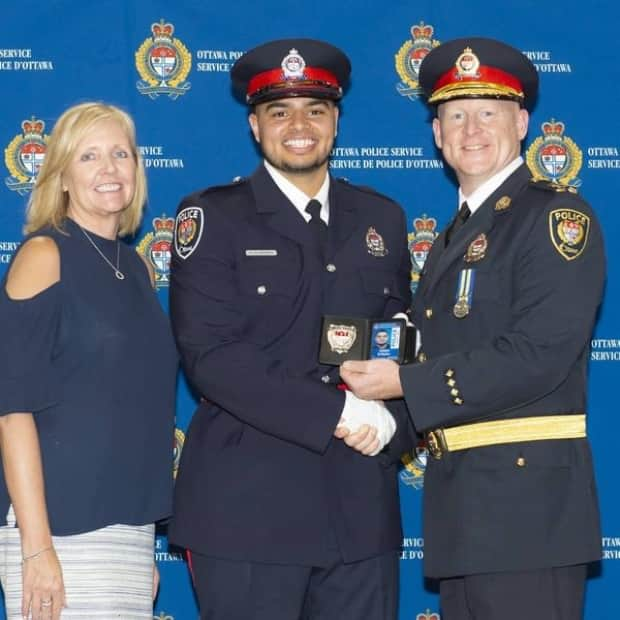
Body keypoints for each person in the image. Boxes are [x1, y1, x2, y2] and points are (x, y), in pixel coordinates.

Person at [341, 37, 605, 620]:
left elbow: (538, 355)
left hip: (528, 514)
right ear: (437, 135)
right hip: (463, 510)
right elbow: (434, 352)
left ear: (522, 122)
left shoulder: (555, 218)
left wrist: (403, 387)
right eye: (455, 115)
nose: (472, 129)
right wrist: (371, 425)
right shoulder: (452, 238)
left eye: (489, 112)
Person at [169, 38, 413, 620]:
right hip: (250, 512)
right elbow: (212, 356)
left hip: (360, 509)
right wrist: (340, 412)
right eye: (280, 112)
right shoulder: (212, 216)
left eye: (315, 110)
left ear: (336, 122)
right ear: (255, 126)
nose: (298, 125)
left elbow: (400, 335)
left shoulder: (382, 216)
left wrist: (393, 419)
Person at [0, 102, 177, 619]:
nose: (109, 168)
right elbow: (12, 410)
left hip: (126, 528)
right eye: (89, 156)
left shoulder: (138, 266)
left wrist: (138, 538)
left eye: (121, 153)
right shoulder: (44, 255)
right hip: (57, 529)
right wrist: (38, 549)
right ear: (62, 178)